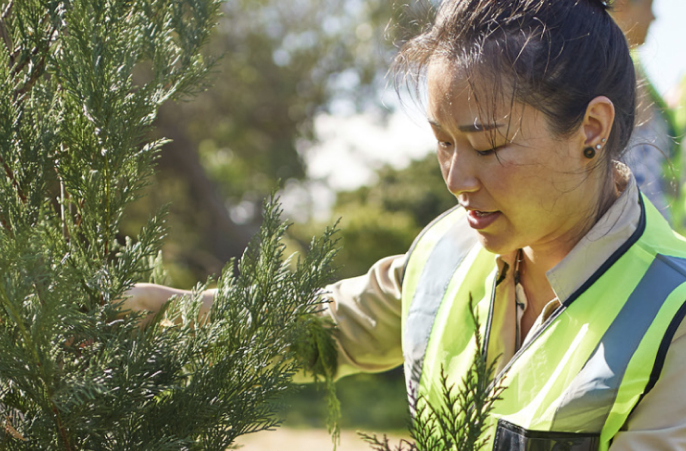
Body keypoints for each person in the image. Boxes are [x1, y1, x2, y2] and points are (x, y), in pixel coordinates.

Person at [122, 0, 686, 449]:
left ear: (590, 128)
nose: (458, 179)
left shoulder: (673, 314)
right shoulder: (448, 246)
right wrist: (167, 316)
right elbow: (325, 329)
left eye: (488, 146)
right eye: (444, 143)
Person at [610, 0, 681, 222]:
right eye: (649, 5)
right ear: (621, 4)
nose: (654, 17)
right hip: (632, 233)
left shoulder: (636, 69)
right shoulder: (608, 72)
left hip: (654, 231)